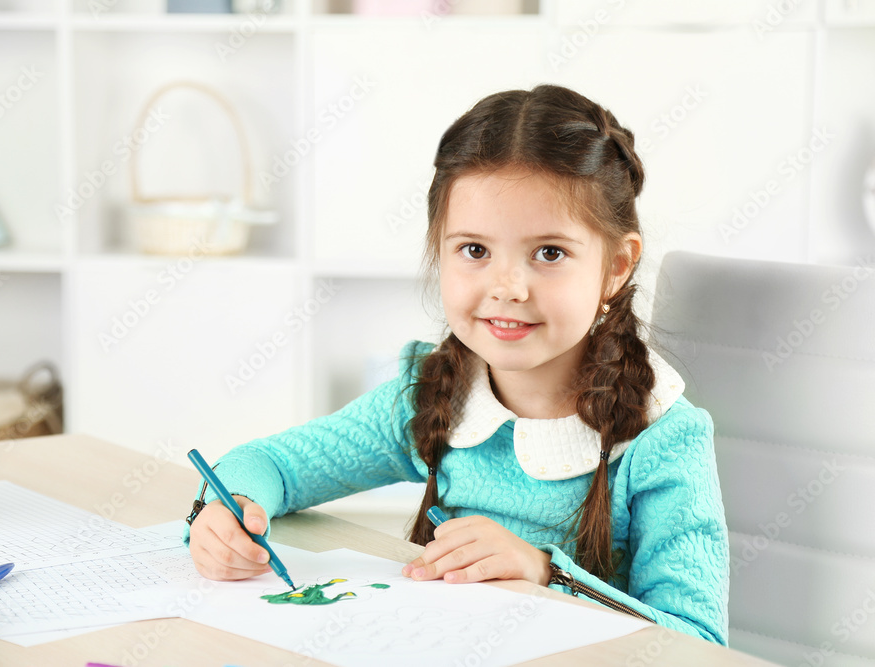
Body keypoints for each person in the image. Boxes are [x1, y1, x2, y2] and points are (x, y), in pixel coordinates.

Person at [185, 84, 729, 645]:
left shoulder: (664, 438)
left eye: (550, 253)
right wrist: (231, 512)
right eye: (474, 250)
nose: (508, 288)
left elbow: (699, 643)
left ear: (616, 266)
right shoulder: (431, 394)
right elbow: (271, 464)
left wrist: (546, 573)